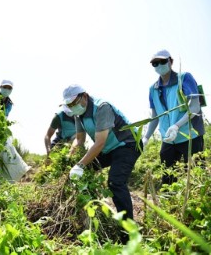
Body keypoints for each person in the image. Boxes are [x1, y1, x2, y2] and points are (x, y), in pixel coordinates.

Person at [63, 84, 142, 244]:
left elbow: (99, 142)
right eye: (69, 105)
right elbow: (79, 140)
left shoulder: (101, 107)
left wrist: (80, 165)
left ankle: (128, 234)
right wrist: (69, 157)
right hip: (108, 149)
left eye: (74, 103)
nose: (73, 107)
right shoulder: (79, 115)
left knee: (115, 182)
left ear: (84, 96)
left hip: (127, 144)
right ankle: (91, 213)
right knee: (87, 170)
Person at [143, 49, 205, 185]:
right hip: (169, 138)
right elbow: (155, 116)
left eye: (163, 61)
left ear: (171, 61)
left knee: (197, 176)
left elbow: (195, 106)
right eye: (155, 63)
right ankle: (171, 206)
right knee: (168, 178)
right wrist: (146, 137)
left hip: (190, 135)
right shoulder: (153, 89)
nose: (159, 65)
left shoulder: (184, 78)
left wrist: (177, 125)